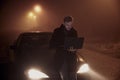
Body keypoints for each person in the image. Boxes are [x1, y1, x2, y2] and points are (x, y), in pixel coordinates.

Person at [50, 16, 78, 80]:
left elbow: (75, 45)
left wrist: (74, 49)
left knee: (73, 78)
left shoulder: (74, 32)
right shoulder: (57, 31)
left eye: (71, 25)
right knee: (65, 78)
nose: (69, 27)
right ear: (64, 23)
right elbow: (51, 44)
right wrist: (63, 46)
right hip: (61, 59)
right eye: (67, 25)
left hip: (72, 59)